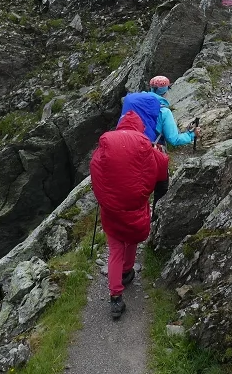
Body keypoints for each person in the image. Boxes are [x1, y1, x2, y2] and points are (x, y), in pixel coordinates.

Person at [89, 110, 170, 320]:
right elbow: (162, 167)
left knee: (115, 249)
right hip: (135, 209)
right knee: (132, 239)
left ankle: (116, 298)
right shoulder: (145, 145)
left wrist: (104, 198)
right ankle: (127, 272)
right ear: (139, 128)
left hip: (111, 211)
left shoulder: (106, 146)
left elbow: (95, 169)